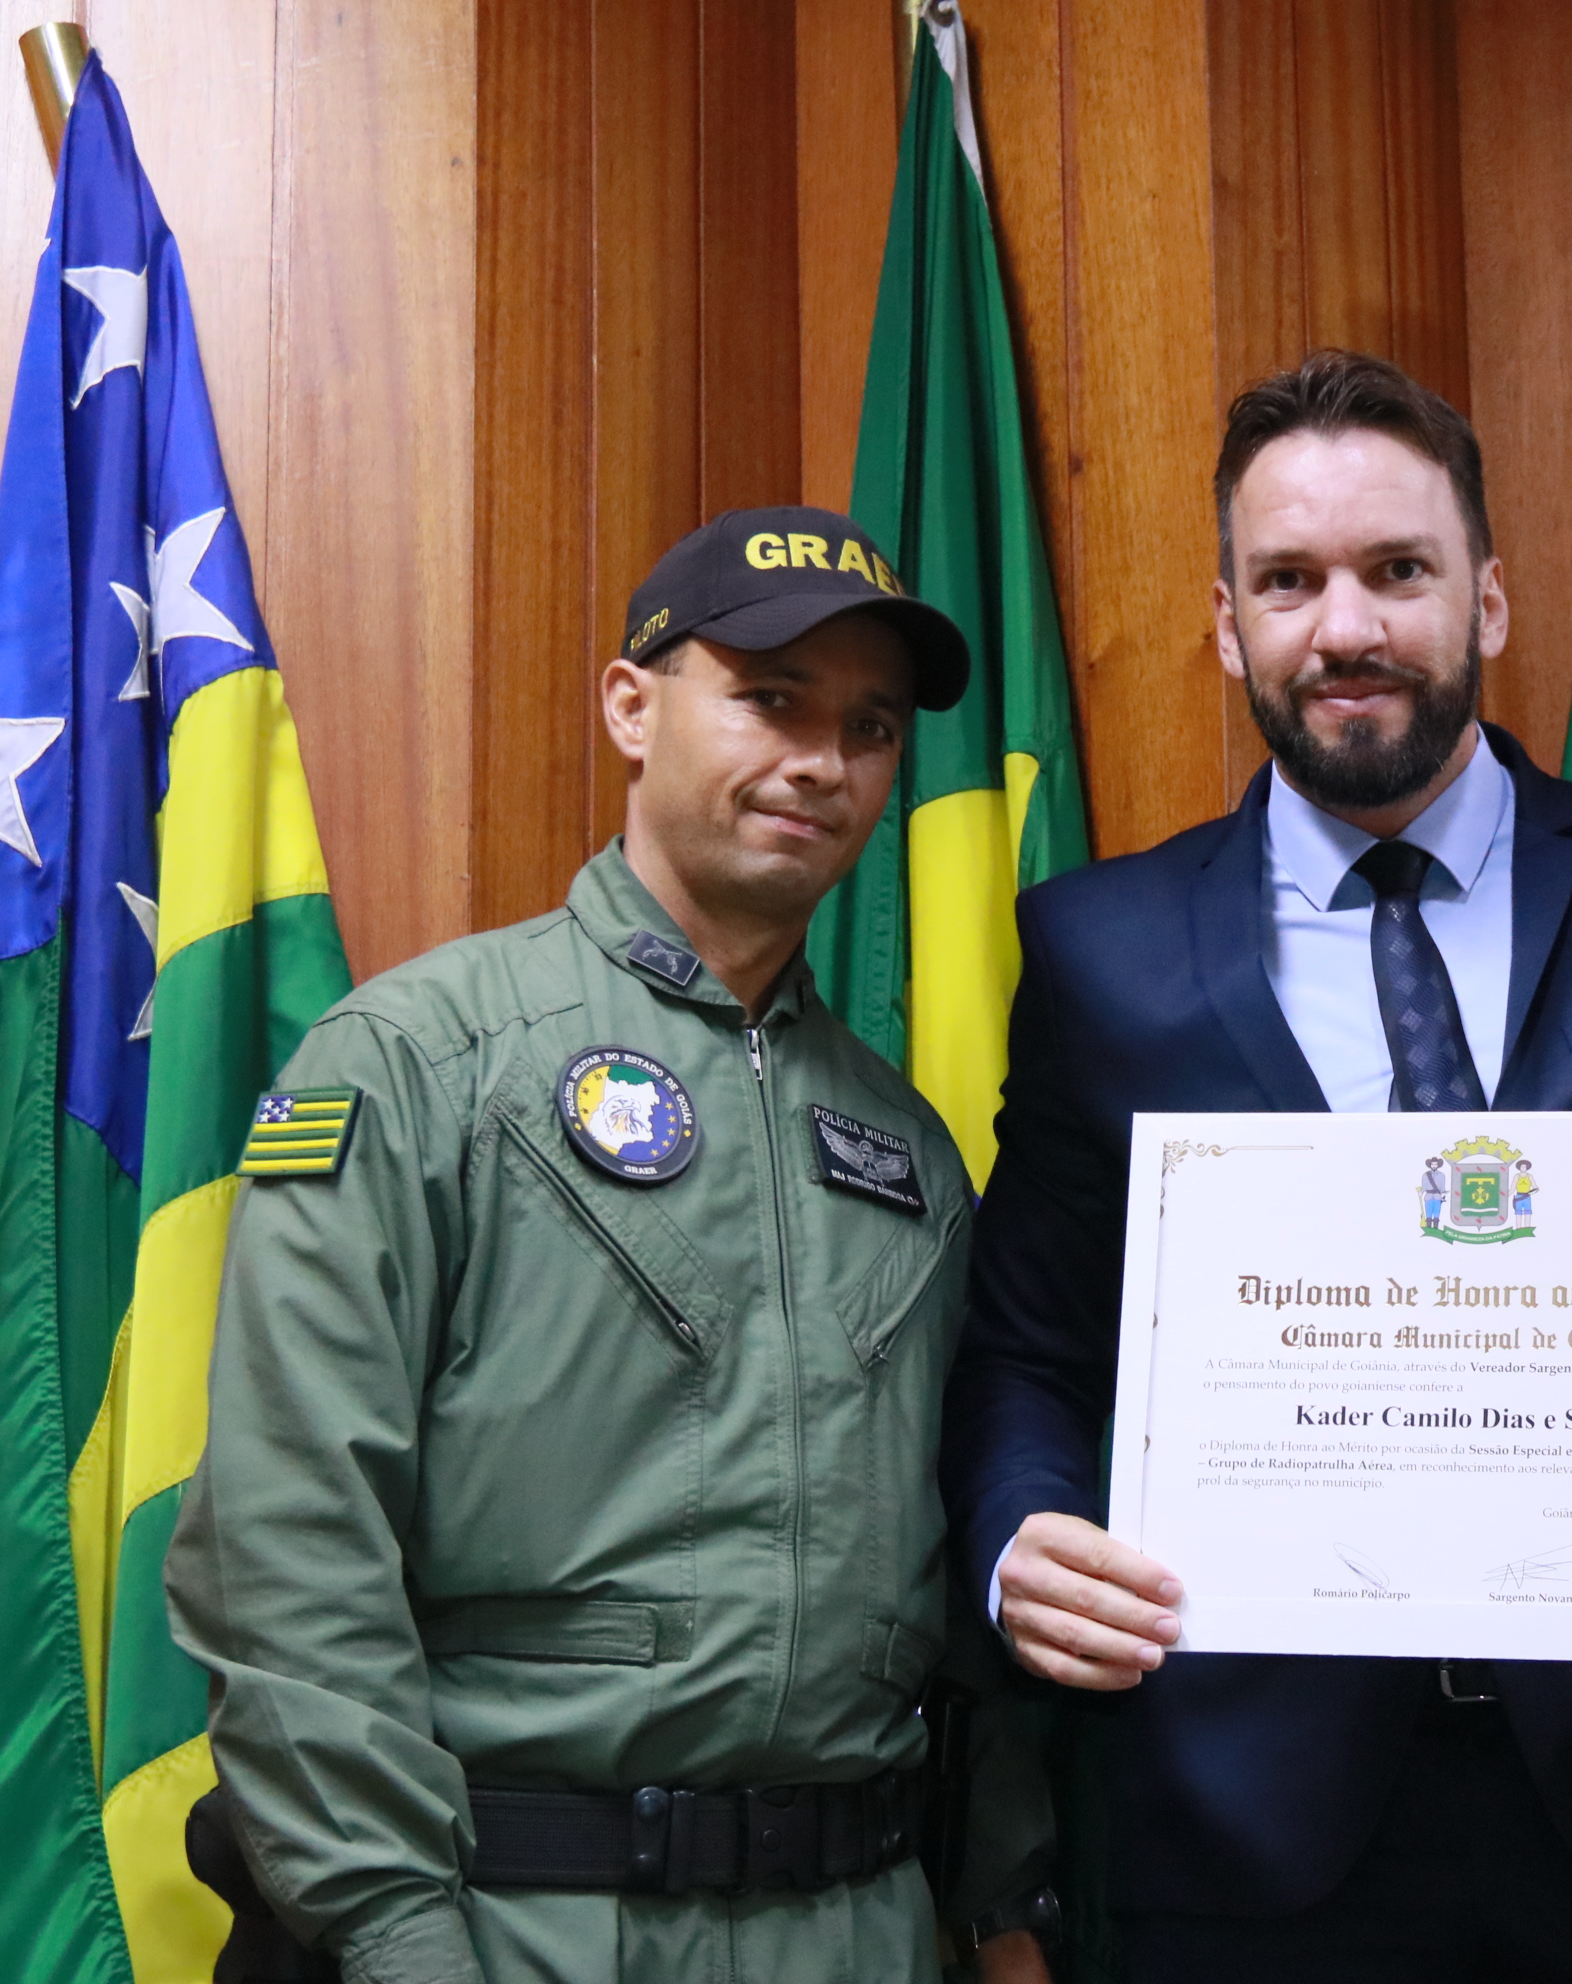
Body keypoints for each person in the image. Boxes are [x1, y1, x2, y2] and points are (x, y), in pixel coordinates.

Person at [942, 349, 1572, 1980]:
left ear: (1487, 598)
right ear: (1228, 625)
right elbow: (1027, 1350)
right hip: (1242, 1837)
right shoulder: (1097, 954)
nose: (1345, 627)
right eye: (1290, 580)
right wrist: (1017, 1544)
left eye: (1398, 570)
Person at [168, 508, 1047, 1983]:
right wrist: (398, 1941)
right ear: (631, 707)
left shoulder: (906, 1150)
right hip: (513, 1918)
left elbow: (958, 1584)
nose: (823, 762)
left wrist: (1003, 1907)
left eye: (871, 726)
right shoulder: (420, 1061)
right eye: (771, 699)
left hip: (858, 1926)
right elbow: (288, 1547)